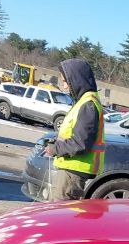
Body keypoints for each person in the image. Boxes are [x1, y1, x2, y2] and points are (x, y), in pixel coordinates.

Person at [44, 58, 106, 201]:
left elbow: (80, 143)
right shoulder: (84, 102)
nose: (65, 86)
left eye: (66, 81)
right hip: (72, 170)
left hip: (73, 172)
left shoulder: (88, 104)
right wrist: (55, 142)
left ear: (76, 79)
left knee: (59, 216)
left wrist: (55, 149)